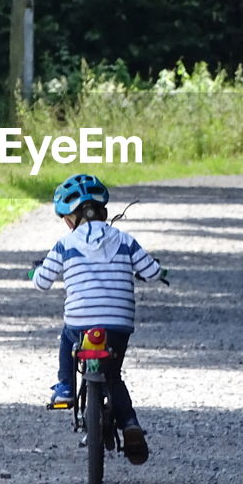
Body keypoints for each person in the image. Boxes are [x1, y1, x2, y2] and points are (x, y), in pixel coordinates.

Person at [31, 173, 163, 465]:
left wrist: (34, 272)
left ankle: (65, 386)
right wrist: (158, 271)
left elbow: (42, 281)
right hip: (118, 323)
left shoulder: (65, 245)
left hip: (81, 323)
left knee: (68, 334)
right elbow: (152, 272)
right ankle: (129, 424)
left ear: (70, 219)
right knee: (112, 374)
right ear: (103, 211)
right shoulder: (126, 240)